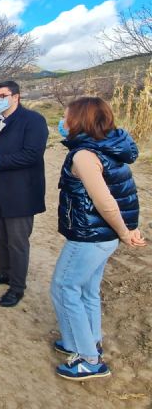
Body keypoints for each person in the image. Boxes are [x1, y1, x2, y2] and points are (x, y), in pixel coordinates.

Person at [50, 97, 145, 381]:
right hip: (102, 236)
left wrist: (124, 231)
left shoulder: (84, 155)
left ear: (80, 121)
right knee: (88, 290)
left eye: (66, 118)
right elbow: (125, 193)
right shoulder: (110, 146)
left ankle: (88, 359)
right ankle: (86, 341)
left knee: (64, 287)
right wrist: (127, 227)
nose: (62, 123)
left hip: (90, 236)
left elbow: (105, 202)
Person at [0, 81, 49, 307]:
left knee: (18, 241)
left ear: (16, 97)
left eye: (3, 95)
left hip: (20, 192)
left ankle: (17, 287)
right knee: (1, 235)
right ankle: (5, 272)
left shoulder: (33, 121)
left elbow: (32, 155)